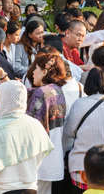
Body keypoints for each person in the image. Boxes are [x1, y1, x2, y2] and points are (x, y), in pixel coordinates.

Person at [0, 80, 54, 193]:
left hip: (1, 190)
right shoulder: (35, 124)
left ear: (0, 99)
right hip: (30, 189)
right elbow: (41, 157)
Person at [26, 53, 69, 193]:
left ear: (44, 72)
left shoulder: (41, 93)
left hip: (38, 159)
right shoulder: (57, 90)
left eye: (36, 69)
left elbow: (31, 125)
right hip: (53, 156)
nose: (32, 72)